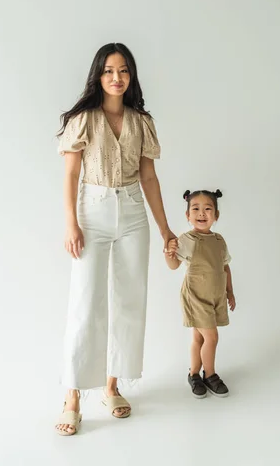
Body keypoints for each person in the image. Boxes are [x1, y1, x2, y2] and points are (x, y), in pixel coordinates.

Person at [55, 42, 175, 435]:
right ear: (98, 75)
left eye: (123, 71)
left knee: (128, 301)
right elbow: (71, 175)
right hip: (93, 210)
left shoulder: (141, 121)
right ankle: (73, 397)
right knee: (86, 303)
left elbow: (150, 178)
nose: (117, 78)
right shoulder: (84, 119)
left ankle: (112, 386)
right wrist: (71, 223)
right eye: (109, 71)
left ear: (131, 75)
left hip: (134, 212)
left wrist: (164, 229)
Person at [164, 189, 236, 399]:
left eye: (207, 209)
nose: (202, 213)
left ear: (216, 215)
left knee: (199, 337)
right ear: (188, 215)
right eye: (195, 209)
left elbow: (225, 267)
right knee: (212, 337)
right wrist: (169, 253)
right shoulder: (187, 239)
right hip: (196, 296)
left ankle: (193, 374)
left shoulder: (219, 240)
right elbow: (174, 265)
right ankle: (210, 374)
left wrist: (230, 292)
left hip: (215, 295)